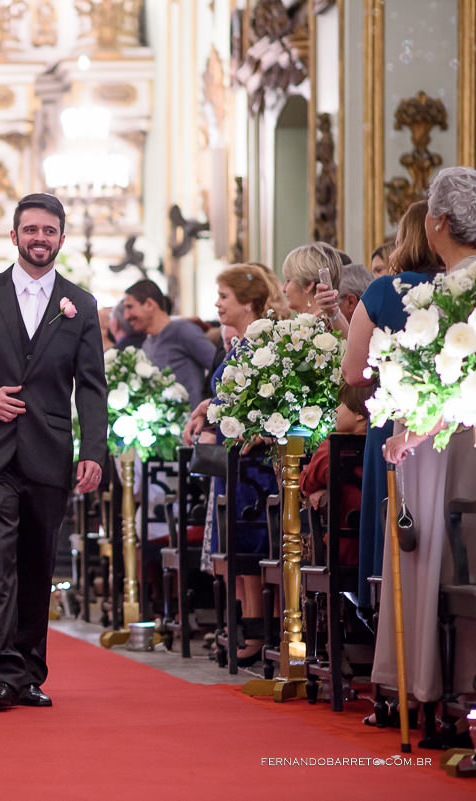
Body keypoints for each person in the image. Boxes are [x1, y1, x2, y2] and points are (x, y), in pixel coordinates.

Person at [0, 192, 108, 710]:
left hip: (50, 450)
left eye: (48, 231)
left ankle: (30, 671)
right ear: (14, 236)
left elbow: (91, 386)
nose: (39, 239)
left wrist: (94, 450)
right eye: (30, 230)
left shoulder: (81, 304)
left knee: (36, 564)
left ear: (60, 238)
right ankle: (1, 674)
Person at [378, 167, 476, 725]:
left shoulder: (446, 293)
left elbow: (451, 380)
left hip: (451, 447)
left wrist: (409, 435)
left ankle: (442, 690)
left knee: (449, 562)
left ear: (437, 222)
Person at [342, 199, 445, 613]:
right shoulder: (458, 287)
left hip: (394, 421)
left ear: (404, 240)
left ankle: (385, 615)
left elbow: (353, 374)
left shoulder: (384, 290)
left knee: (397, 519)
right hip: (456, 423)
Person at [183, 264, 283, 666]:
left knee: (249, 547)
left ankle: (259, 632)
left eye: (224, 296)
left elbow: (260, 400)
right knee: (235, 549)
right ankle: (245, 625)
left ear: (248, 301)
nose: (217, 304)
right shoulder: (242, 343)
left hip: (251, 462)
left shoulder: (262, 343)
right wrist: (209, 407)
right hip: (233, 458)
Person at [300, 384, 372, 568]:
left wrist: (322, 489)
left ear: (359, 413)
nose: (336, 409)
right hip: (376, 546)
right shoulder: (379, 445)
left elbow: (307, 484)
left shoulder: (332, 448)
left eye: (342, 404)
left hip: (342, 550)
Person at [122, 279, 216, 407]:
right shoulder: (146, 344)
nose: (126, 316)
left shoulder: (183, 330)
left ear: (149, 304)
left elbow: (219, 365)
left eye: (130, 307)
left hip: (192, 422)